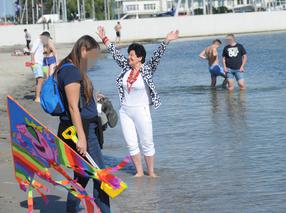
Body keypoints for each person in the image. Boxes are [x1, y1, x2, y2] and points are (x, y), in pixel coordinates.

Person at [97, 26, 179, 178]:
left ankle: (152, 173)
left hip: (142, 110)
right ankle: (139, 172)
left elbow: (156, 56)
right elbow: (115, 54)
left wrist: (166, 40)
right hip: (125, 111)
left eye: (132, 55)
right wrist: (105, 39)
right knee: (131, 143)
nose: (129, 57)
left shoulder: (147, 69)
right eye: (129, 55)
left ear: (140, 58)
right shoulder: (125, 68)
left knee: (147, 142)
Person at [56, 35, 111, 213]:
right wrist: (82, 138)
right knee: (100, 177)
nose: (93, 61)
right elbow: (72, 107)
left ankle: (70, 209)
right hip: (83, 132)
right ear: (83, 50)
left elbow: (76, 101)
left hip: (84, 129)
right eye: (93, 56)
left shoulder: (70, 69)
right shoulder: (71, 71)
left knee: (82, 176)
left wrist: (93, 99)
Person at [30, 34, 44, 103]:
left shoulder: (41, 43)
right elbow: (32, 51)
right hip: (36, 63)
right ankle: (37, 97)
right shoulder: (38, 41)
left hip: (39, 63)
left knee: (38, 80)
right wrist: (33, 61)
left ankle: (37, 96)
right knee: (40, 80)